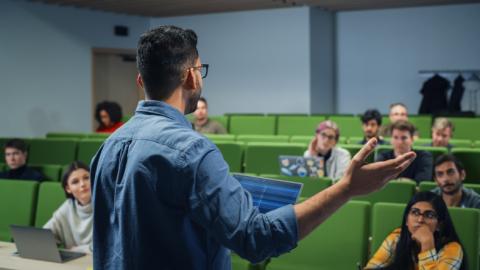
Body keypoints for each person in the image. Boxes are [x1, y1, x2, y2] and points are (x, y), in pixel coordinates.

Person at [90, 25, 416, 270]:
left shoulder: (106, 148)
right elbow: (256, 239)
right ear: (191, 77)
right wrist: (345, 189)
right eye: (200, 70)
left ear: (140, 81)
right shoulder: (191, 152)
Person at [365, 191, 466, 270]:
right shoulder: (397, 237)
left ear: (439, 225)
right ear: (406, 221)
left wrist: (427, 245)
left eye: (429, 215)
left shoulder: (452, 249)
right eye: (415, 212)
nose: (420, 220)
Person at [44, 161, 92, 253]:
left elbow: (113, 243)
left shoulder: (108, 205)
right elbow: (44, 236)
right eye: (75, 182)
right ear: (68, 189)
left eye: (86, 178)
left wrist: (79, 250)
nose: (82, 184)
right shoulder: (67, 208)